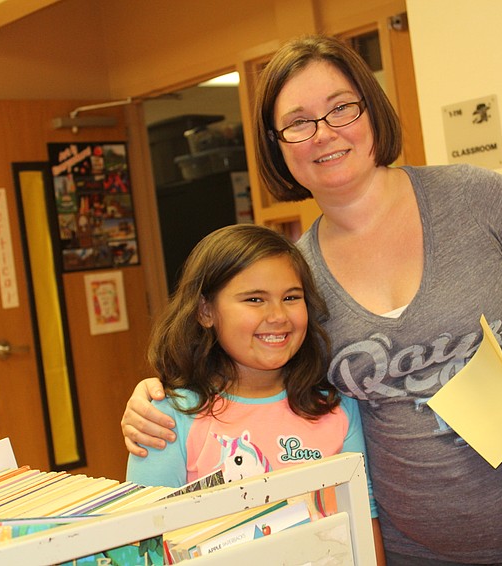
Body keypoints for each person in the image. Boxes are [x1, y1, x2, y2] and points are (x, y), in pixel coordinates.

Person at [122, 35, 502, 565]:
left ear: (371, 111)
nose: (324, 134)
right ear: (277, 144)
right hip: (414, 553)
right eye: (298, 122)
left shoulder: (475, 197)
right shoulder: (295, 277)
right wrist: (161, 394)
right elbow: (257, 378)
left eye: (341, 108)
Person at [124, 223, 385, 565]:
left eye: (291, 297)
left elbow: (363, 526)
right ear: (205, 311)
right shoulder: (167, 416)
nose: (277, 316)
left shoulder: (337, 407)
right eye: (254, 299)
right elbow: (143, 546)